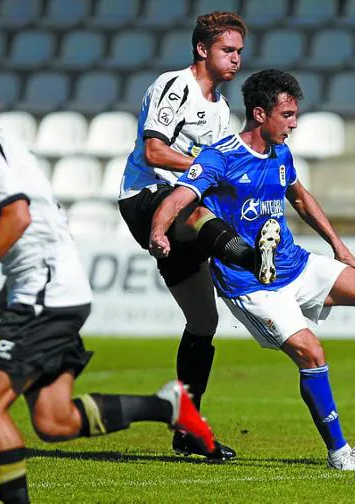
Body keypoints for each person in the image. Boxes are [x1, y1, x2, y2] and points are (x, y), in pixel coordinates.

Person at [149, 69, 355, 472]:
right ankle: (340, 453)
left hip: (295, 263)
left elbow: (301, 199)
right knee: (311, 353)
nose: (294, 122)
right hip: (252, 284)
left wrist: (338, 245)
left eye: (295, 114)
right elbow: (181, 197)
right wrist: (158, 230)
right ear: (259, 113)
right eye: (287, 114)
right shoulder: (220, 157)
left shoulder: (281, 154)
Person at [0, 60, 216, 504]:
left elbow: (19, 215)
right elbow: (44, 216)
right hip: (56, 289)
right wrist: (12, 284)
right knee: (53, 420)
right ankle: (167, 406)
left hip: (44, 294)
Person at [118, 11, 248, 460]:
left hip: (182, 207)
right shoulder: (176, 86)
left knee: (203, 323)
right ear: (202, 49)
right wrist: (211, 169)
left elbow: (214, 173)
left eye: (238, 52)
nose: (235, 59)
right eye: (227, 50)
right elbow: (153, 149)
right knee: (221, 233)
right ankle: (248, 257)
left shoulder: (221, 109)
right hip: (146, 196)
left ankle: (188, 428)